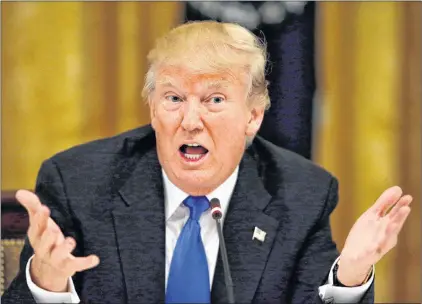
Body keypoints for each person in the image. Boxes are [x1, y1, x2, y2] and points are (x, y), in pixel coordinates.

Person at [2, 21, 412, 304]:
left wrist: (349, 276)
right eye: (174, 98)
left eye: (214, 100)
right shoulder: (79, 182)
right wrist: (49, 282)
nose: (191, 121)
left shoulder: (300, 194)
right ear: (152, 109)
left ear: (253, 116)